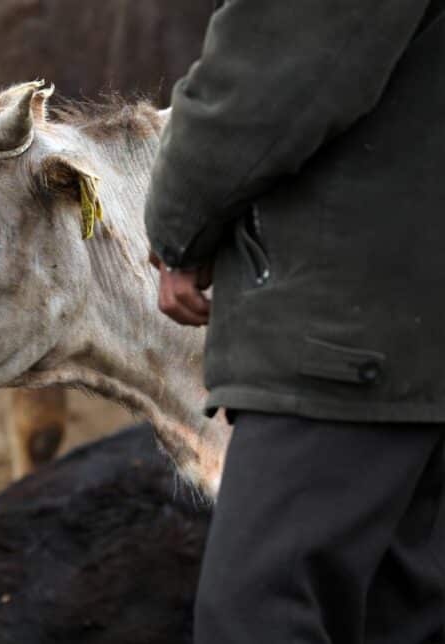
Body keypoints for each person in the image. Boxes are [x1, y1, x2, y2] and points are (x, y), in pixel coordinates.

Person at [144, 0, 445, 642]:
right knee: (401, 610)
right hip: (409, 321)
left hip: (347, 327)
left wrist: (178, 227)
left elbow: (269, 77)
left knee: (260, 610)